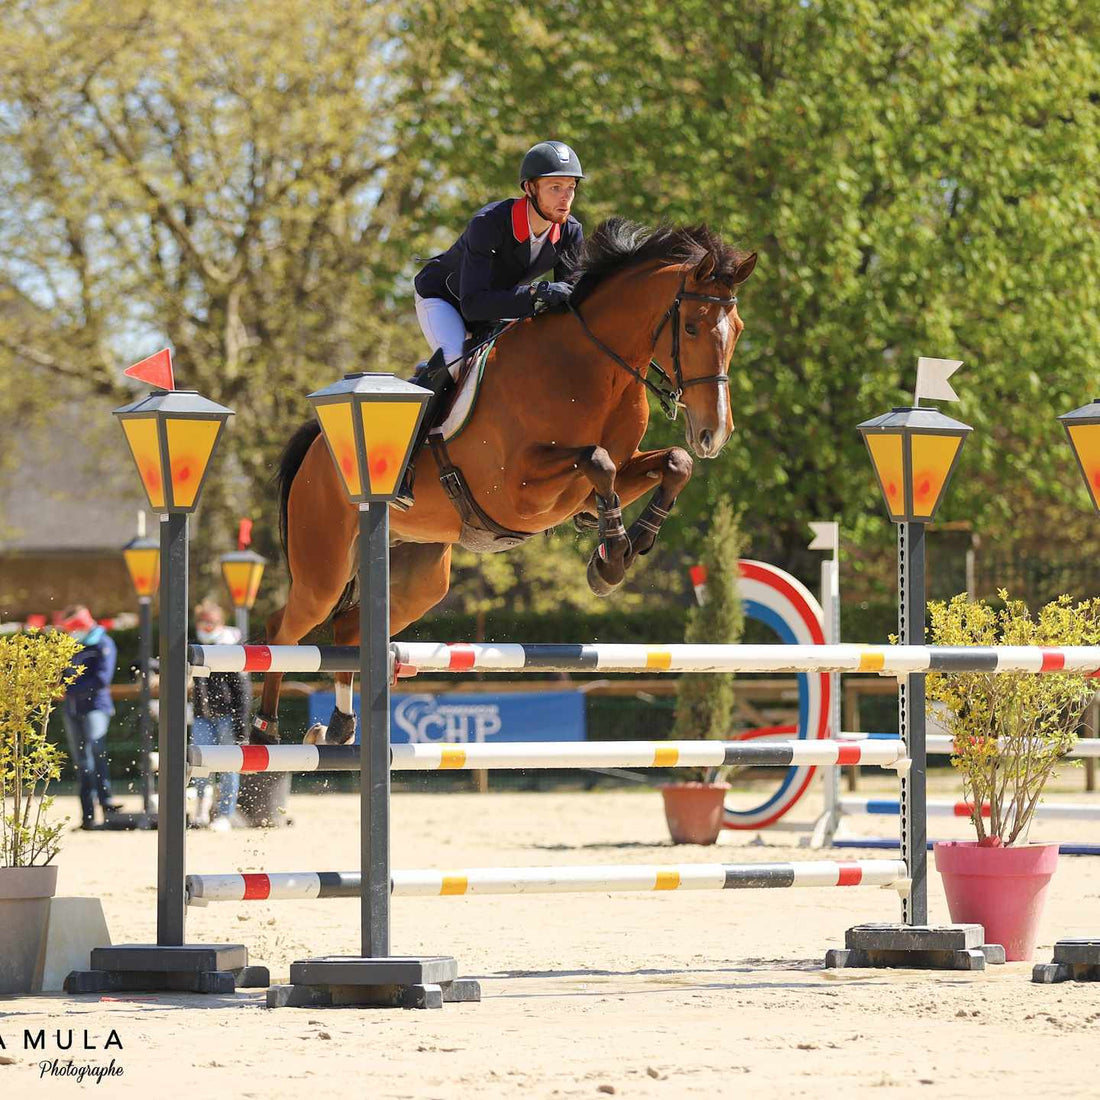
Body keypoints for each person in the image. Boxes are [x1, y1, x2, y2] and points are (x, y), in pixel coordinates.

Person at [396, 140, 586, 508]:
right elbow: (475, 302)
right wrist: (536, 296)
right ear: (530, 189)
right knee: (455, 357)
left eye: (571, 189)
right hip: (446, 299)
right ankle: (401, 462)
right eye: (555, 188)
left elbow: (568, 301)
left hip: (497, 307)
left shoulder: (571, 232)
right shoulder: (490, 224)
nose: (565, 198)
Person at [58, 605, 122, 829]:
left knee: (95, 754)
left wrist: (69, 688)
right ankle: (87, 816)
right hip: (73, 709)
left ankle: (106, 804)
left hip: (96, 707)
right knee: (82, 762)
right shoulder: (71, 645)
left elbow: (102, 679)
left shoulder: (103, 643)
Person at [190, 600, 250, 830]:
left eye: (211, 622)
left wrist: (241, 725)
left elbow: (242, 690)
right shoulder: (193, 645)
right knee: (200, 765)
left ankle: (225, 814)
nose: (206, 626)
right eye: (202, 621)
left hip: (227, 715)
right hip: (201, 715)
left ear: (221, 623)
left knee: (228, 766)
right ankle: (201, 811)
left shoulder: (230, 646)